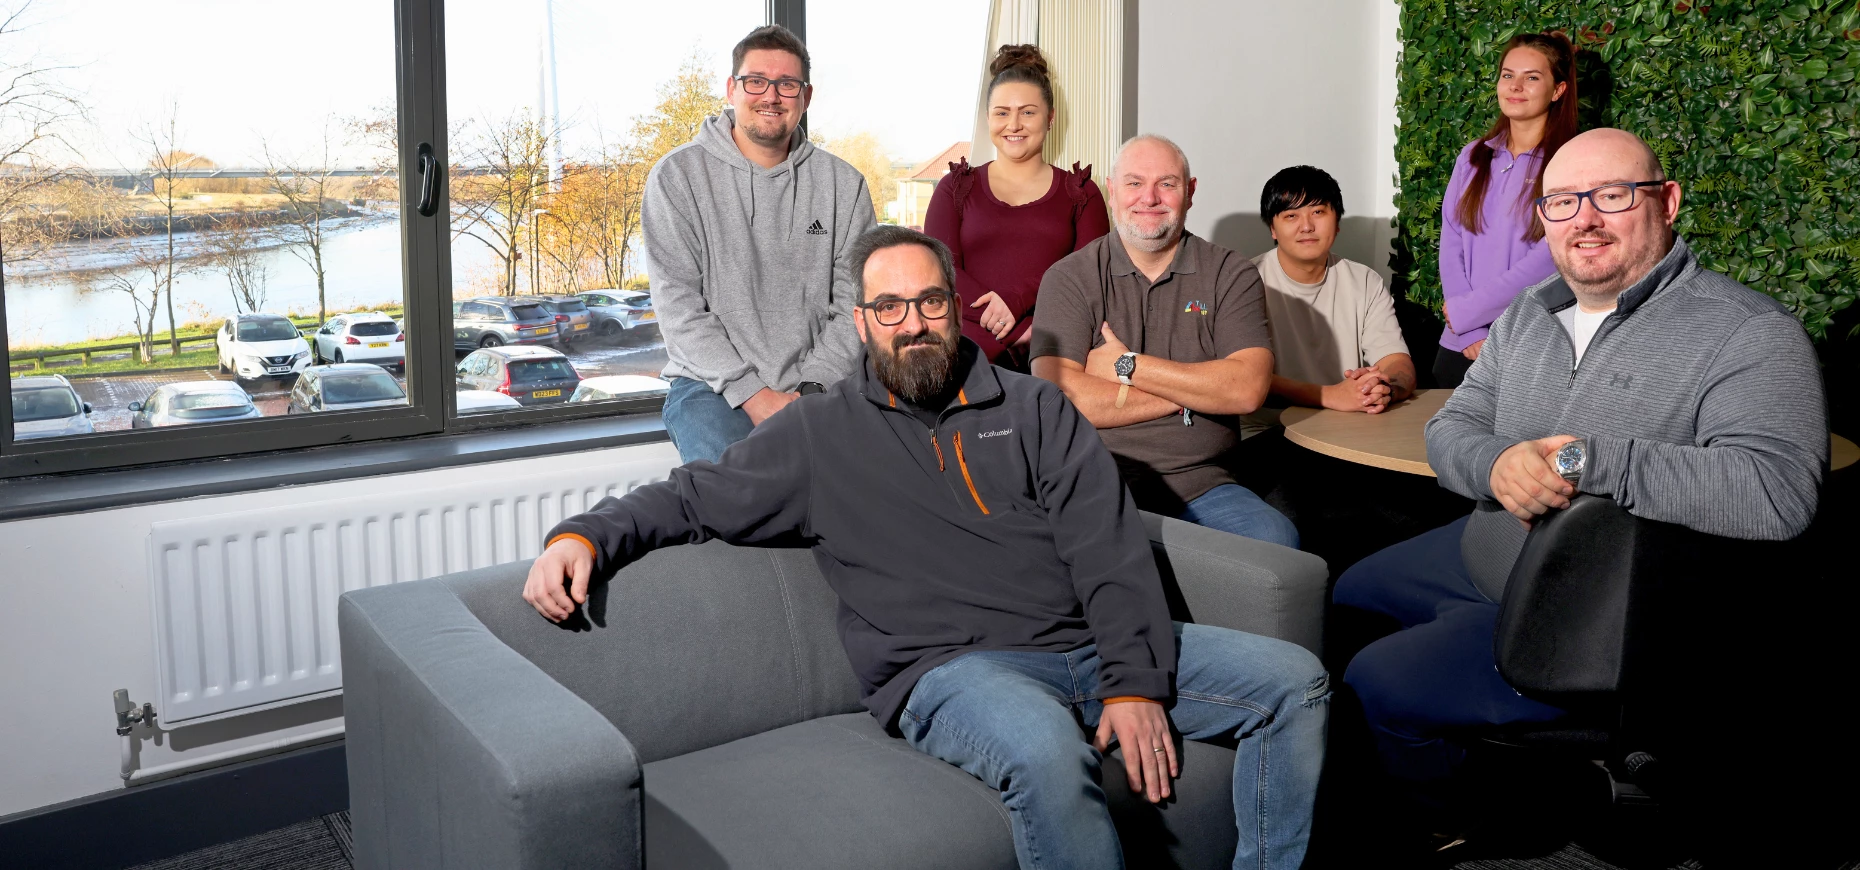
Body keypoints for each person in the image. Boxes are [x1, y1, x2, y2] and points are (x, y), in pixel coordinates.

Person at [523, 225, 1330, 870]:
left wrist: (1132, 680)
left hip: (1084, 647)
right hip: (954, 671)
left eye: (931, 302)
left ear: (955, 305)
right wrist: (584, 532)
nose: (913, 324)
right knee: (1048, 755)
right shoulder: (818, 432)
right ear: (863, 322)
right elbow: (694, 496)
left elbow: (1108, 548)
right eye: (891, 308)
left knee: (1296, 682)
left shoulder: (1038, 409)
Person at [1334, 129, 1826, 827]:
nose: (1585, 219)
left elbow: (1778, 492)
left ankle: (1508, 810)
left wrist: (1587, 460)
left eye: (1613, 195)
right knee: (1344, 597)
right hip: (1483, 553)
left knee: (1373, 685)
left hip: (1584, 610)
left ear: (1668, 201)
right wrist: (1500, 463)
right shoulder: (1530, 314)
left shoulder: (1749, 333)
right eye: (1562, 202)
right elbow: (1451, 429)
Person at [1030, 134, 1299, 550]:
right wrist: (1194, 392)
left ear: (1189, 193)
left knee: (1276, 544)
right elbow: (1059, 399)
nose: (1150, 198)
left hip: (1206, 486)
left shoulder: (1231, 273)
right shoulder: (1069, 278)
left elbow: (1246, 390)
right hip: (1093, 480)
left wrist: (1128, 367)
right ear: (1112, 190)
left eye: (1167, 184)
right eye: (1135, 183)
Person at [645, 24, 877, 464]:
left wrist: (812, 390)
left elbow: (855, 304)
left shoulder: (843, 185)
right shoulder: (677, 178)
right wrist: (754, 395)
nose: (771, 96)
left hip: (818, 385)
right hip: (711, 389)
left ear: (805, 97)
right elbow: (678, 308)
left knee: (855, 498)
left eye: (787, 85)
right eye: (756, 81)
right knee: (743, 502)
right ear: (732, 89)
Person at [925, 43, 1109, 368]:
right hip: (966, 355)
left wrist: (1022, 306)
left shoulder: (1082, 193)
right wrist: (1014, 330)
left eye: (1027, 112)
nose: (1013, 125)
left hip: (1056, 349)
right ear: (987, 119)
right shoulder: (954, 189)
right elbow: (939, 271)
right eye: (1001, 113)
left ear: (1050, 118)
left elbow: (1089, 277)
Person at [1434, 32, 1578, 388]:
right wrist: (1468, 329)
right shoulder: (1473, 155)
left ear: (1558, 90)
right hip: (1460, 343)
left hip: (1528, 343)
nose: (1515, 86)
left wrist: (1470, 312)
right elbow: (1451, 242)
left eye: (1532, 77)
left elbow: (1550, 259)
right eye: (1507, 74)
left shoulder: (1570, 162)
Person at [1242, 165, 1415, 439]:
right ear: (1272, 228)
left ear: (1337, 222)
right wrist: (1331, 396)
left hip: (1348, 426)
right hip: (1270, 430)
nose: (1307, 226)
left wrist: (1384, 388)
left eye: (1318, 212)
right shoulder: (1245, 282)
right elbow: (1243, 378)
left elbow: (1397, 362)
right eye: (1291, 216)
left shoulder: (1364, 281)